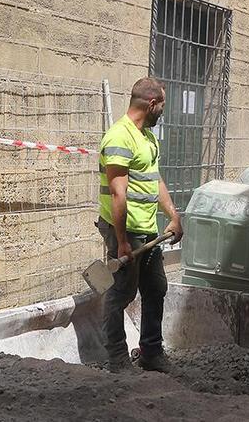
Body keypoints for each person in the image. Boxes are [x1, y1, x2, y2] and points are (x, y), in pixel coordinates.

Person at [98, 77, 183, 372]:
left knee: (156, 287)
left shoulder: (147, 137)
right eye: (162, 106)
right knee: (121, 293)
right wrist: (121, 241)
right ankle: (118, 359)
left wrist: (173, 214)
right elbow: (117, 192)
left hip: (147, 230)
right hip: (125, 231)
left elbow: (154, 179)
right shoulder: (120, 137)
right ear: (151, 104)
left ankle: (150, 352)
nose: (162, 111)